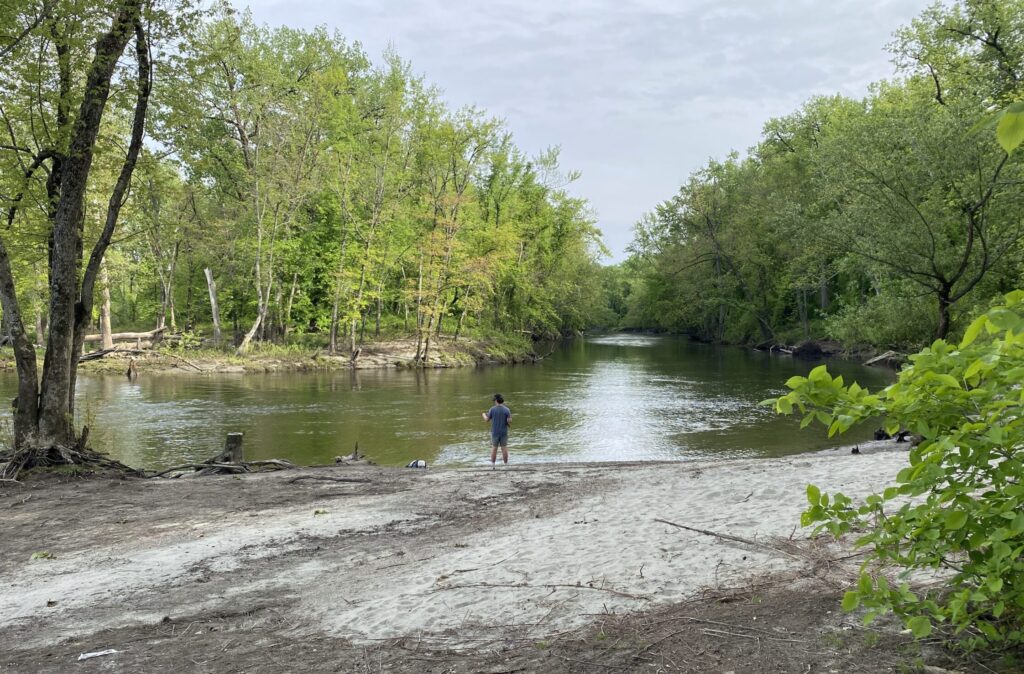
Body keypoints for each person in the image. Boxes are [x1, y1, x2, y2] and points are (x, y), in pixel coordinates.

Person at [482, 393, 512, 469]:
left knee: (494, 448)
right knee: (504, 448)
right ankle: (505, 465)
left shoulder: (492, 409)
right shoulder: (507, 409)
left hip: (495, 432)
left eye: (494, 400)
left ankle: (493, 466)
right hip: (503, 432)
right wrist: (506, 420)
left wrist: (483, 415)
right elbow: (510, 420)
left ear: (496, 401)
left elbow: (487, 420)